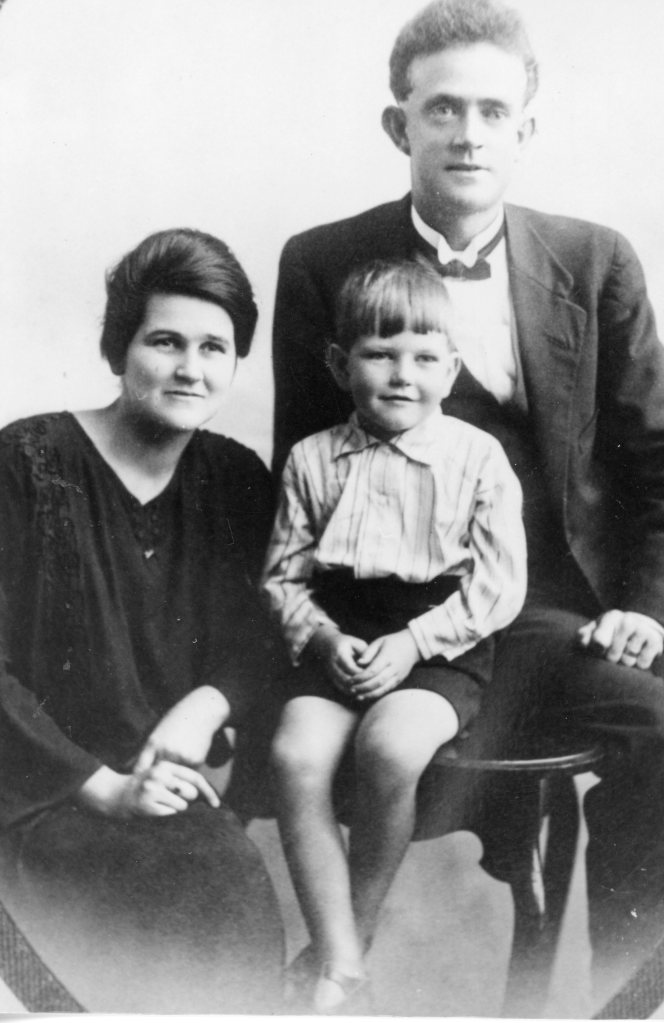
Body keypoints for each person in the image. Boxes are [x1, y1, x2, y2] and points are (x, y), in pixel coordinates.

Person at [271, 0, 664, 998]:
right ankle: (340, 962)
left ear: (525, 130)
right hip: (396, 616)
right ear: (398, 125)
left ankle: (629, 991)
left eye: (492, 112)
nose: (467, 133)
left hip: (552, 612)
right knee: (326, 751)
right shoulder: (322, 261)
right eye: (442, 108)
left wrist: (648, 610)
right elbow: (303, 464)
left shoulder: (594, 261)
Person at [0, 228, 286, 1013]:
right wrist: (98, 788)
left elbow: (260, 637)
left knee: (228, 894)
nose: (191, 368)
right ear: (117, 348)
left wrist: (210, 701)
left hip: (162, 786)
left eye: (214, 347)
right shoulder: (26, 461)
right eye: (165, 341)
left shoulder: (235, 478)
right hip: (32, 791)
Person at [263, 259, 526, 1013]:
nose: (403, 374)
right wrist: (319, 640)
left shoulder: (478, 457)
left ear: (452, 367)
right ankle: (340, 954)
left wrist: (414, 643)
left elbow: (498, 585)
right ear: (341, 365)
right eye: (380, 354)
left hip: (441, 640)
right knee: (295, 752)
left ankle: (354, 940)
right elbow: (282, 577)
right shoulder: (313, 458)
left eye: (424, 356)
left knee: (391, 744)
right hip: (339, 632)